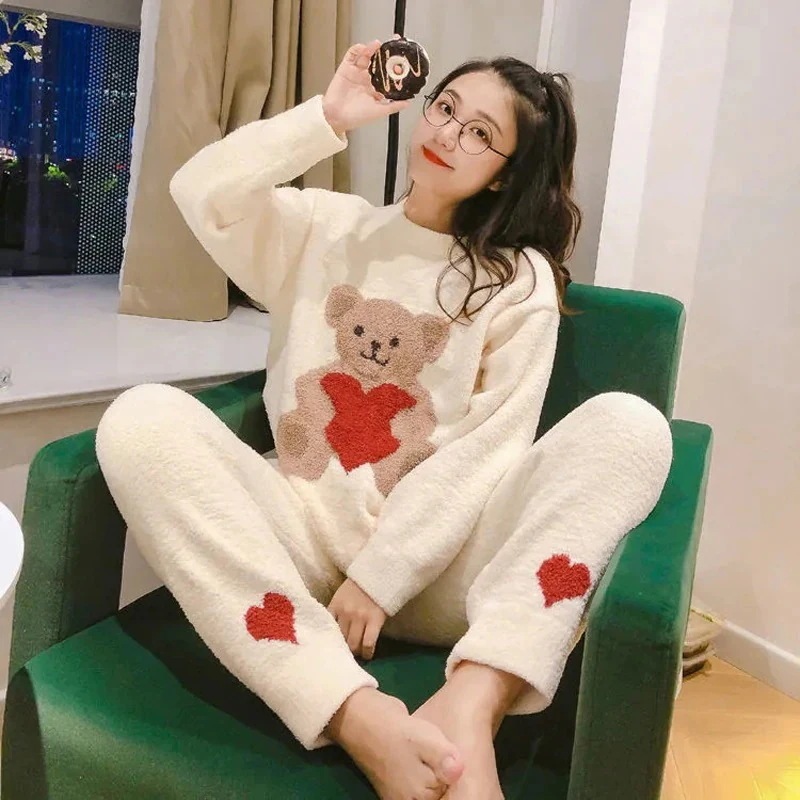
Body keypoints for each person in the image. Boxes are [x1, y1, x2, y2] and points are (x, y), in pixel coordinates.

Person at [96, 38, 672, 800]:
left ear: (505, 172)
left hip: (444, 568)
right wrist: (328, 115)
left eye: (480, 133)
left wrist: (382, 576)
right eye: (446, 108)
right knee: (138, 420)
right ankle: (350, 711)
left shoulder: (516, 280)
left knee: (633, 427)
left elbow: (487, 451)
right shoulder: (324, 228)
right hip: (302, 534)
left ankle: (473, 699)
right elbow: (198, 189)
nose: (448, 133)